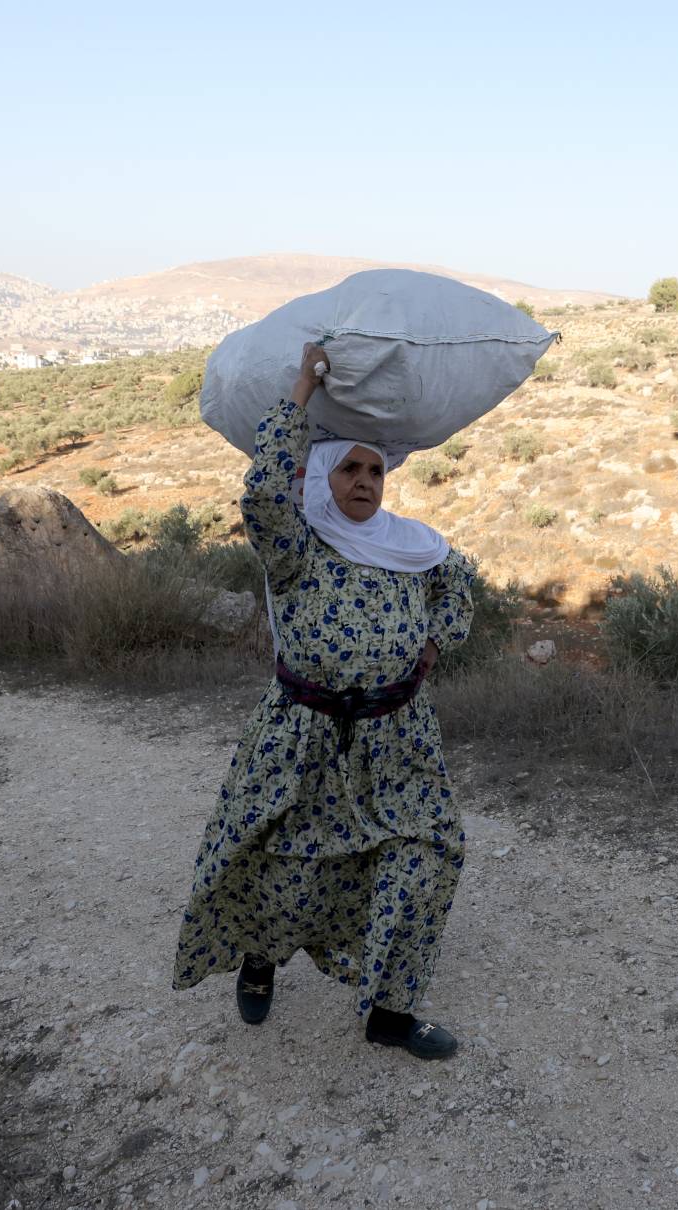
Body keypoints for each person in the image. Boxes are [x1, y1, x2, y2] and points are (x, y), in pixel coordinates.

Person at [171, 342, 475, 1060]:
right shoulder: (296, 547)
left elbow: (456, 579)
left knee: (431, 854)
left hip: (398, 739)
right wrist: (303, 389)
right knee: (286, 867)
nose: (366, 480)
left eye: (375, 469)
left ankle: (390, 1014)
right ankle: (259, 958)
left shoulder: (411, 546)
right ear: (320, 478)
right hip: (303, 737)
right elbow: (262, 494)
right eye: (350, 468)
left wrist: (437, 638)